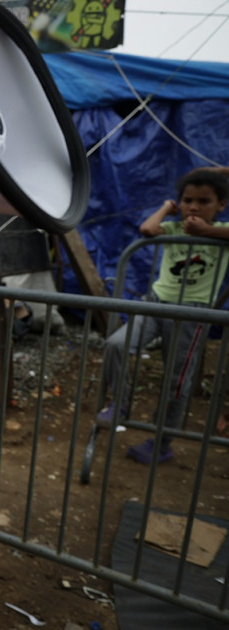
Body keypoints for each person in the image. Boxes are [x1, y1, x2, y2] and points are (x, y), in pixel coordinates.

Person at [98, 168, 229, 464]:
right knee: (116, 344)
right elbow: (147, 230)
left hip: (190, 314)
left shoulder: (222, 232)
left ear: (221, 205)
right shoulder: (173, 228)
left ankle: (161, 442)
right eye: (187, 200)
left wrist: (206, 231)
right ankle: (120, 402)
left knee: (177, 380)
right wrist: (167, 208)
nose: (194, 207)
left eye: (204, 201)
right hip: (156, 304)